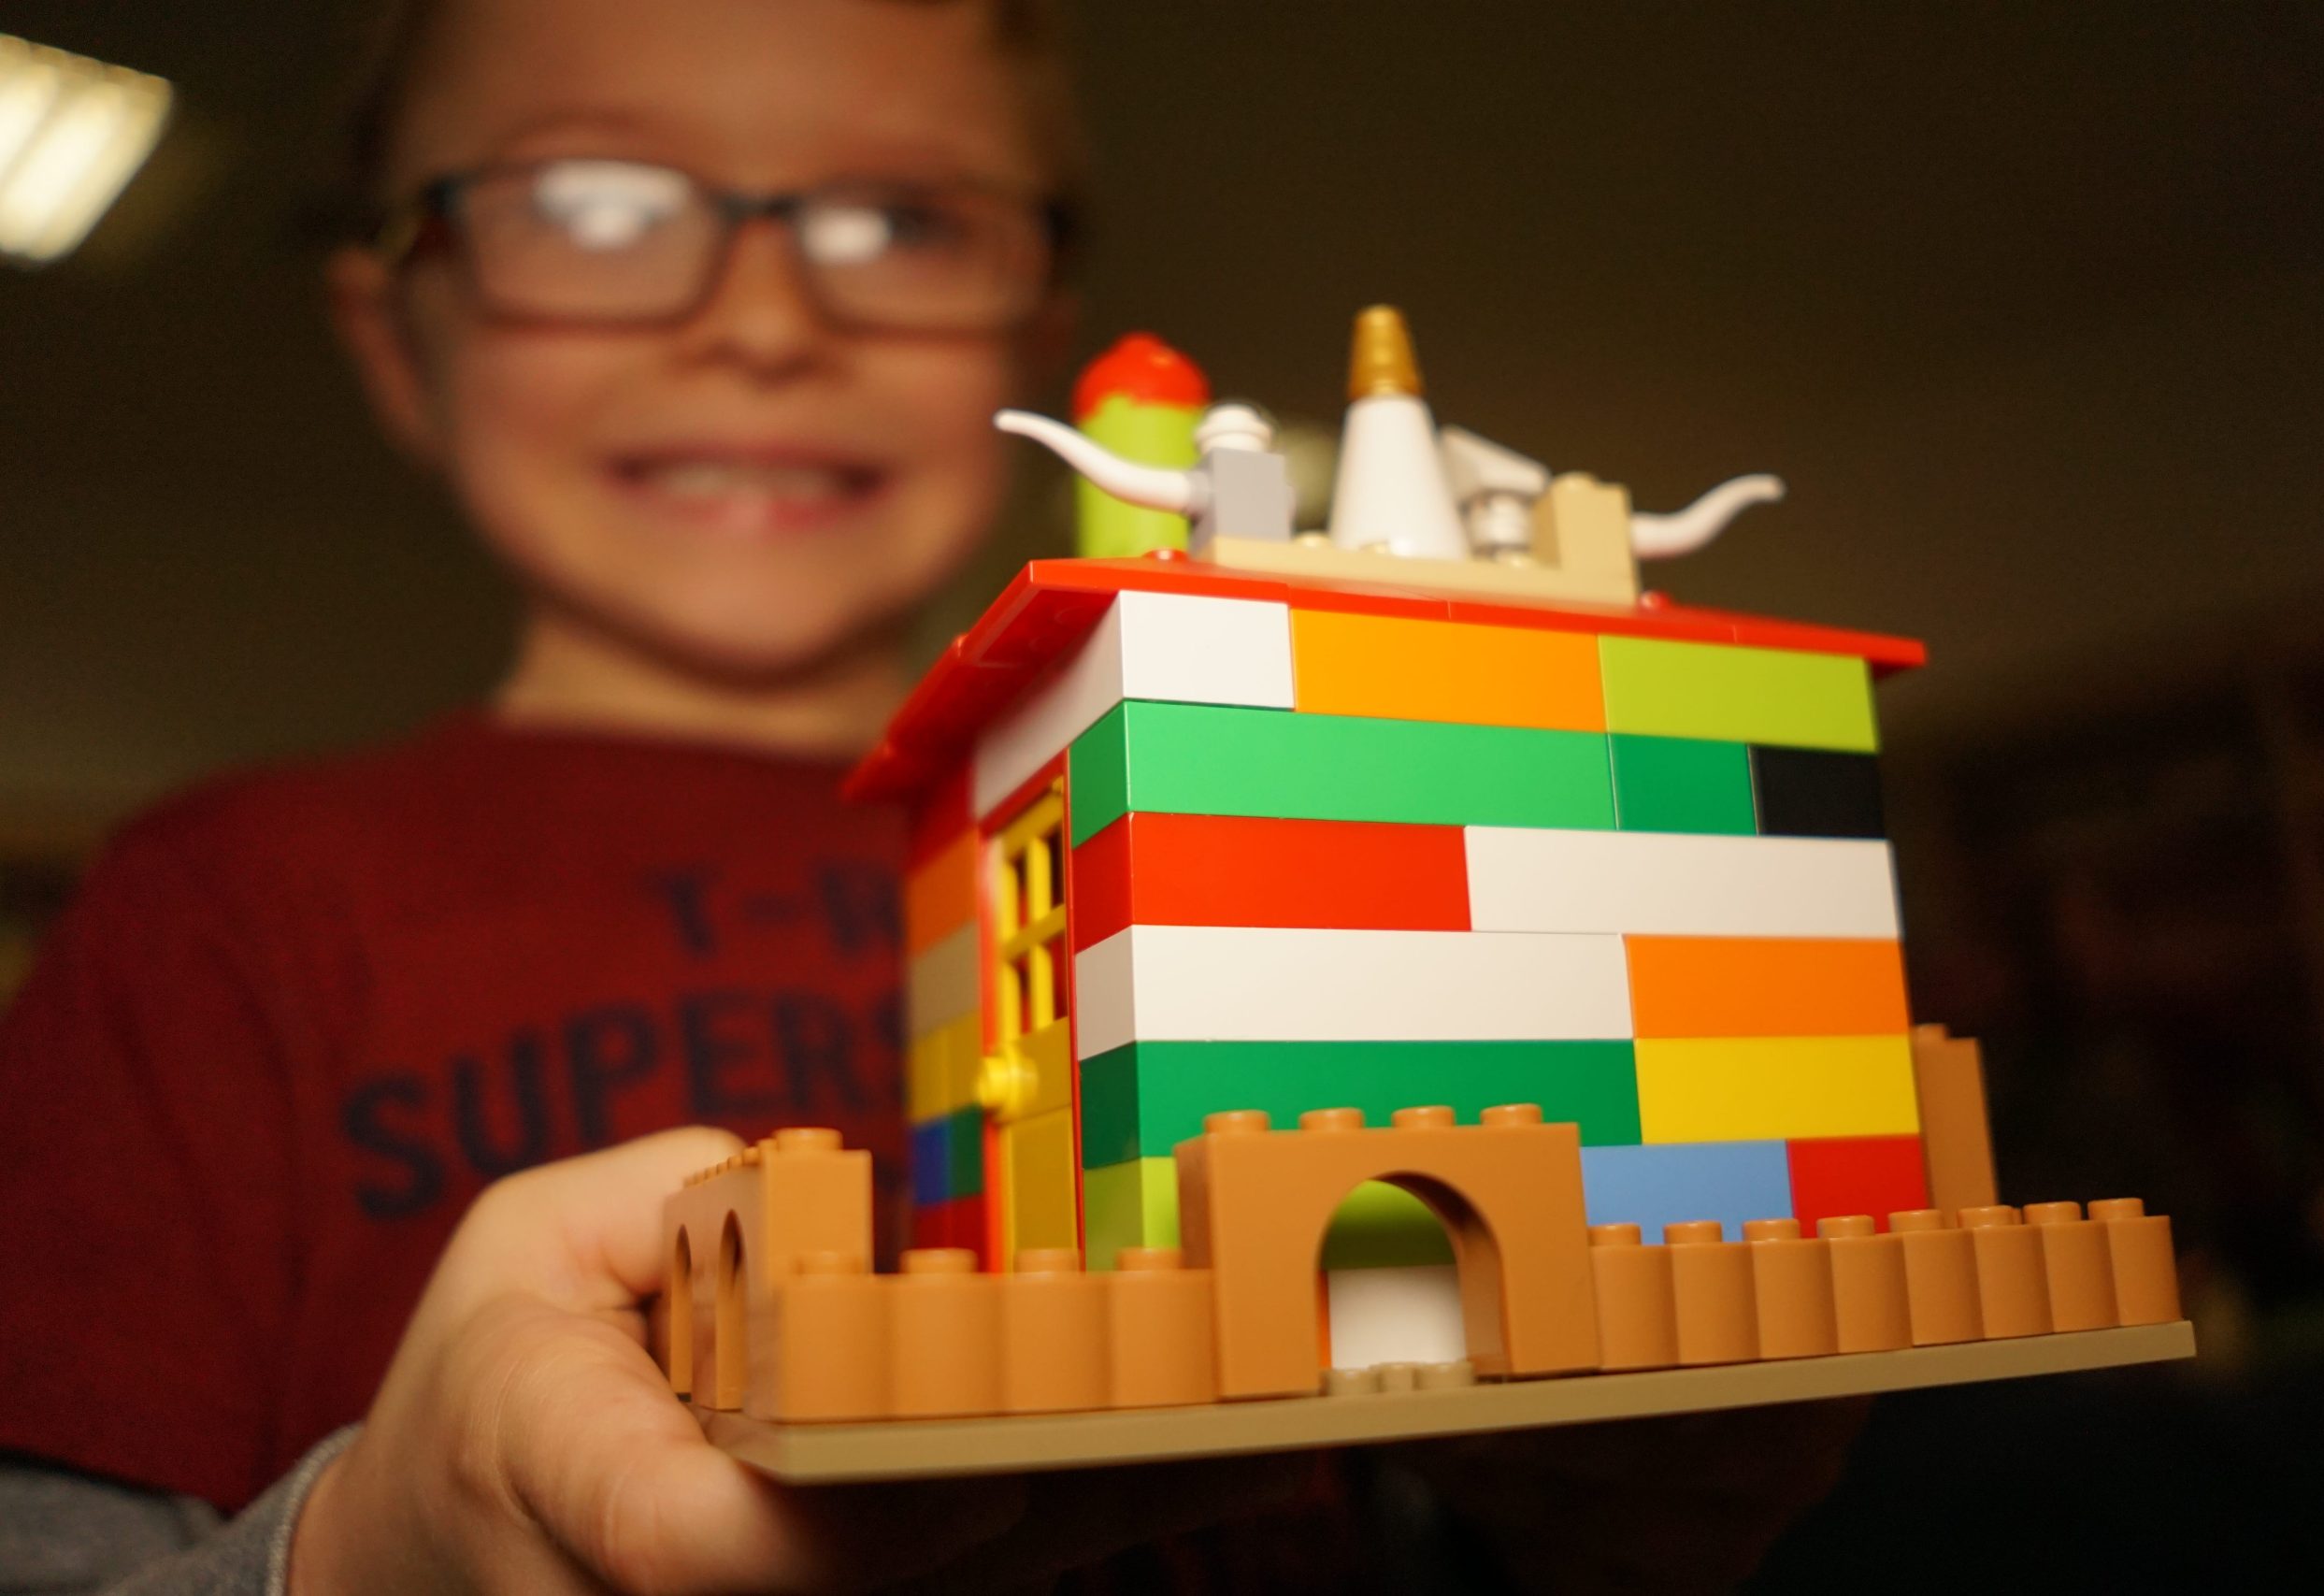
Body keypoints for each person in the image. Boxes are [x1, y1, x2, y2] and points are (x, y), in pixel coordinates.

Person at [0, 2, 1860, 1589]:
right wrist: (365, 1553)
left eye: (898, 218)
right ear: (395, 333)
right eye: (593, 202)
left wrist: (1587, 1525)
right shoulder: (218, 904)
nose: (762, 320)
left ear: (1033, 323)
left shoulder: (1293, 809)